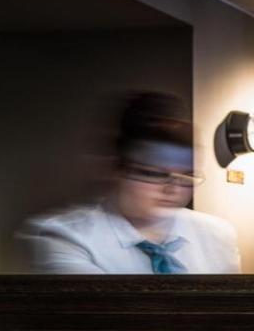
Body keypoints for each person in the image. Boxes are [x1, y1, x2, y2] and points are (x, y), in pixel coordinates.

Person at [18, 92, 240, 274]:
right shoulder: (67, 236)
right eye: (154, 174)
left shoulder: (216, 235)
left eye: (186, 177)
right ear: (118, 170)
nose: (173, 189)